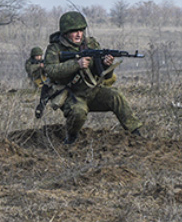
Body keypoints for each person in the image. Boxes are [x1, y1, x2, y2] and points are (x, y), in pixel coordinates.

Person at [44, 11, 143, 144]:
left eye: (81, 30)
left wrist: (105, 64)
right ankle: (71, 138)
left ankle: (136, 133)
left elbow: (104, 75)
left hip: (93, 91)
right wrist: (76, 64)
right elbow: (50, 70)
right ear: (65, 33)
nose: (79, 34)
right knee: (78, 112)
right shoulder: (54, 49)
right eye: (74, 31)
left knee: (116, 96)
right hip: (72, 95)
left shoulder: (91, 44)